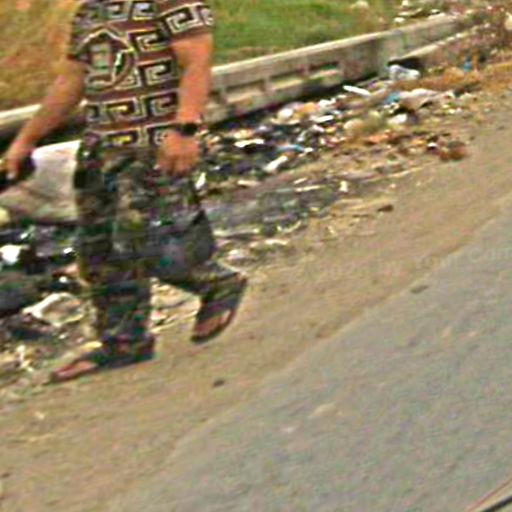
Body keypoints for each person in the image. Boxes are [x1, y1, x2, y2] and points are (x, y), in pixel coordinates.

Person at [3, 0, 247, 382]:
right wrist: (27, 139)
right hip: (101, 147)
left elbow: (196, 63)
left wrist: (184, 131)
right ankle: (123, 341)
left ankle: (217, 283)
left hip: (153, 143)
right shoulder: (92, 12)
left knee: (142, 237)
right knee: (97, 249)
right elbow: (71, 82)